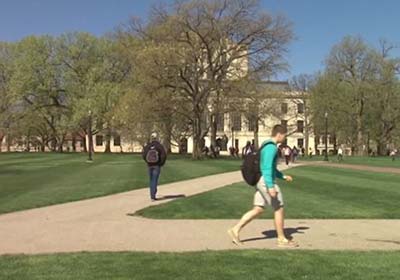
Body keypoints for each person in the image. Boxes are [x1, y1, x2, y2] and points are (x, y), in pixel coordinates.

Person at [228, 124, 298, 248]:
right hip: (265, 181)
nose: (284, 138)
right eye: (284, 136)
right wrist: (270, 186)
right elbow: (266, 167)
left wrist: (282, 176)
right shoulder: (271, 148)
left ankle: (235, 229)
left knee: (258, 208)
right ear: (279, 134)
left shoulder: (265, 146)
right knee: (279, 208)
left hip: (261, 180)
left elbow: (271, 168)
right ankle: (281, 238)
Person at [142, 132, 167, 201]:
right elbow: (163, 156)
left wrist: (147, 162)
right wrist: (161, 163)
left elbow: (144, 155)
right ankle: (153, 195)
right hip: (157, 165)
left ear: (151, 138)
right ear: (157, 138)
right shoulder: (159, 146)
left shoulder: (148, 146)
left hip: (149, 165)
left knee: (151, 180)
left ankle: (152, 195)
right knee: (154, 180)